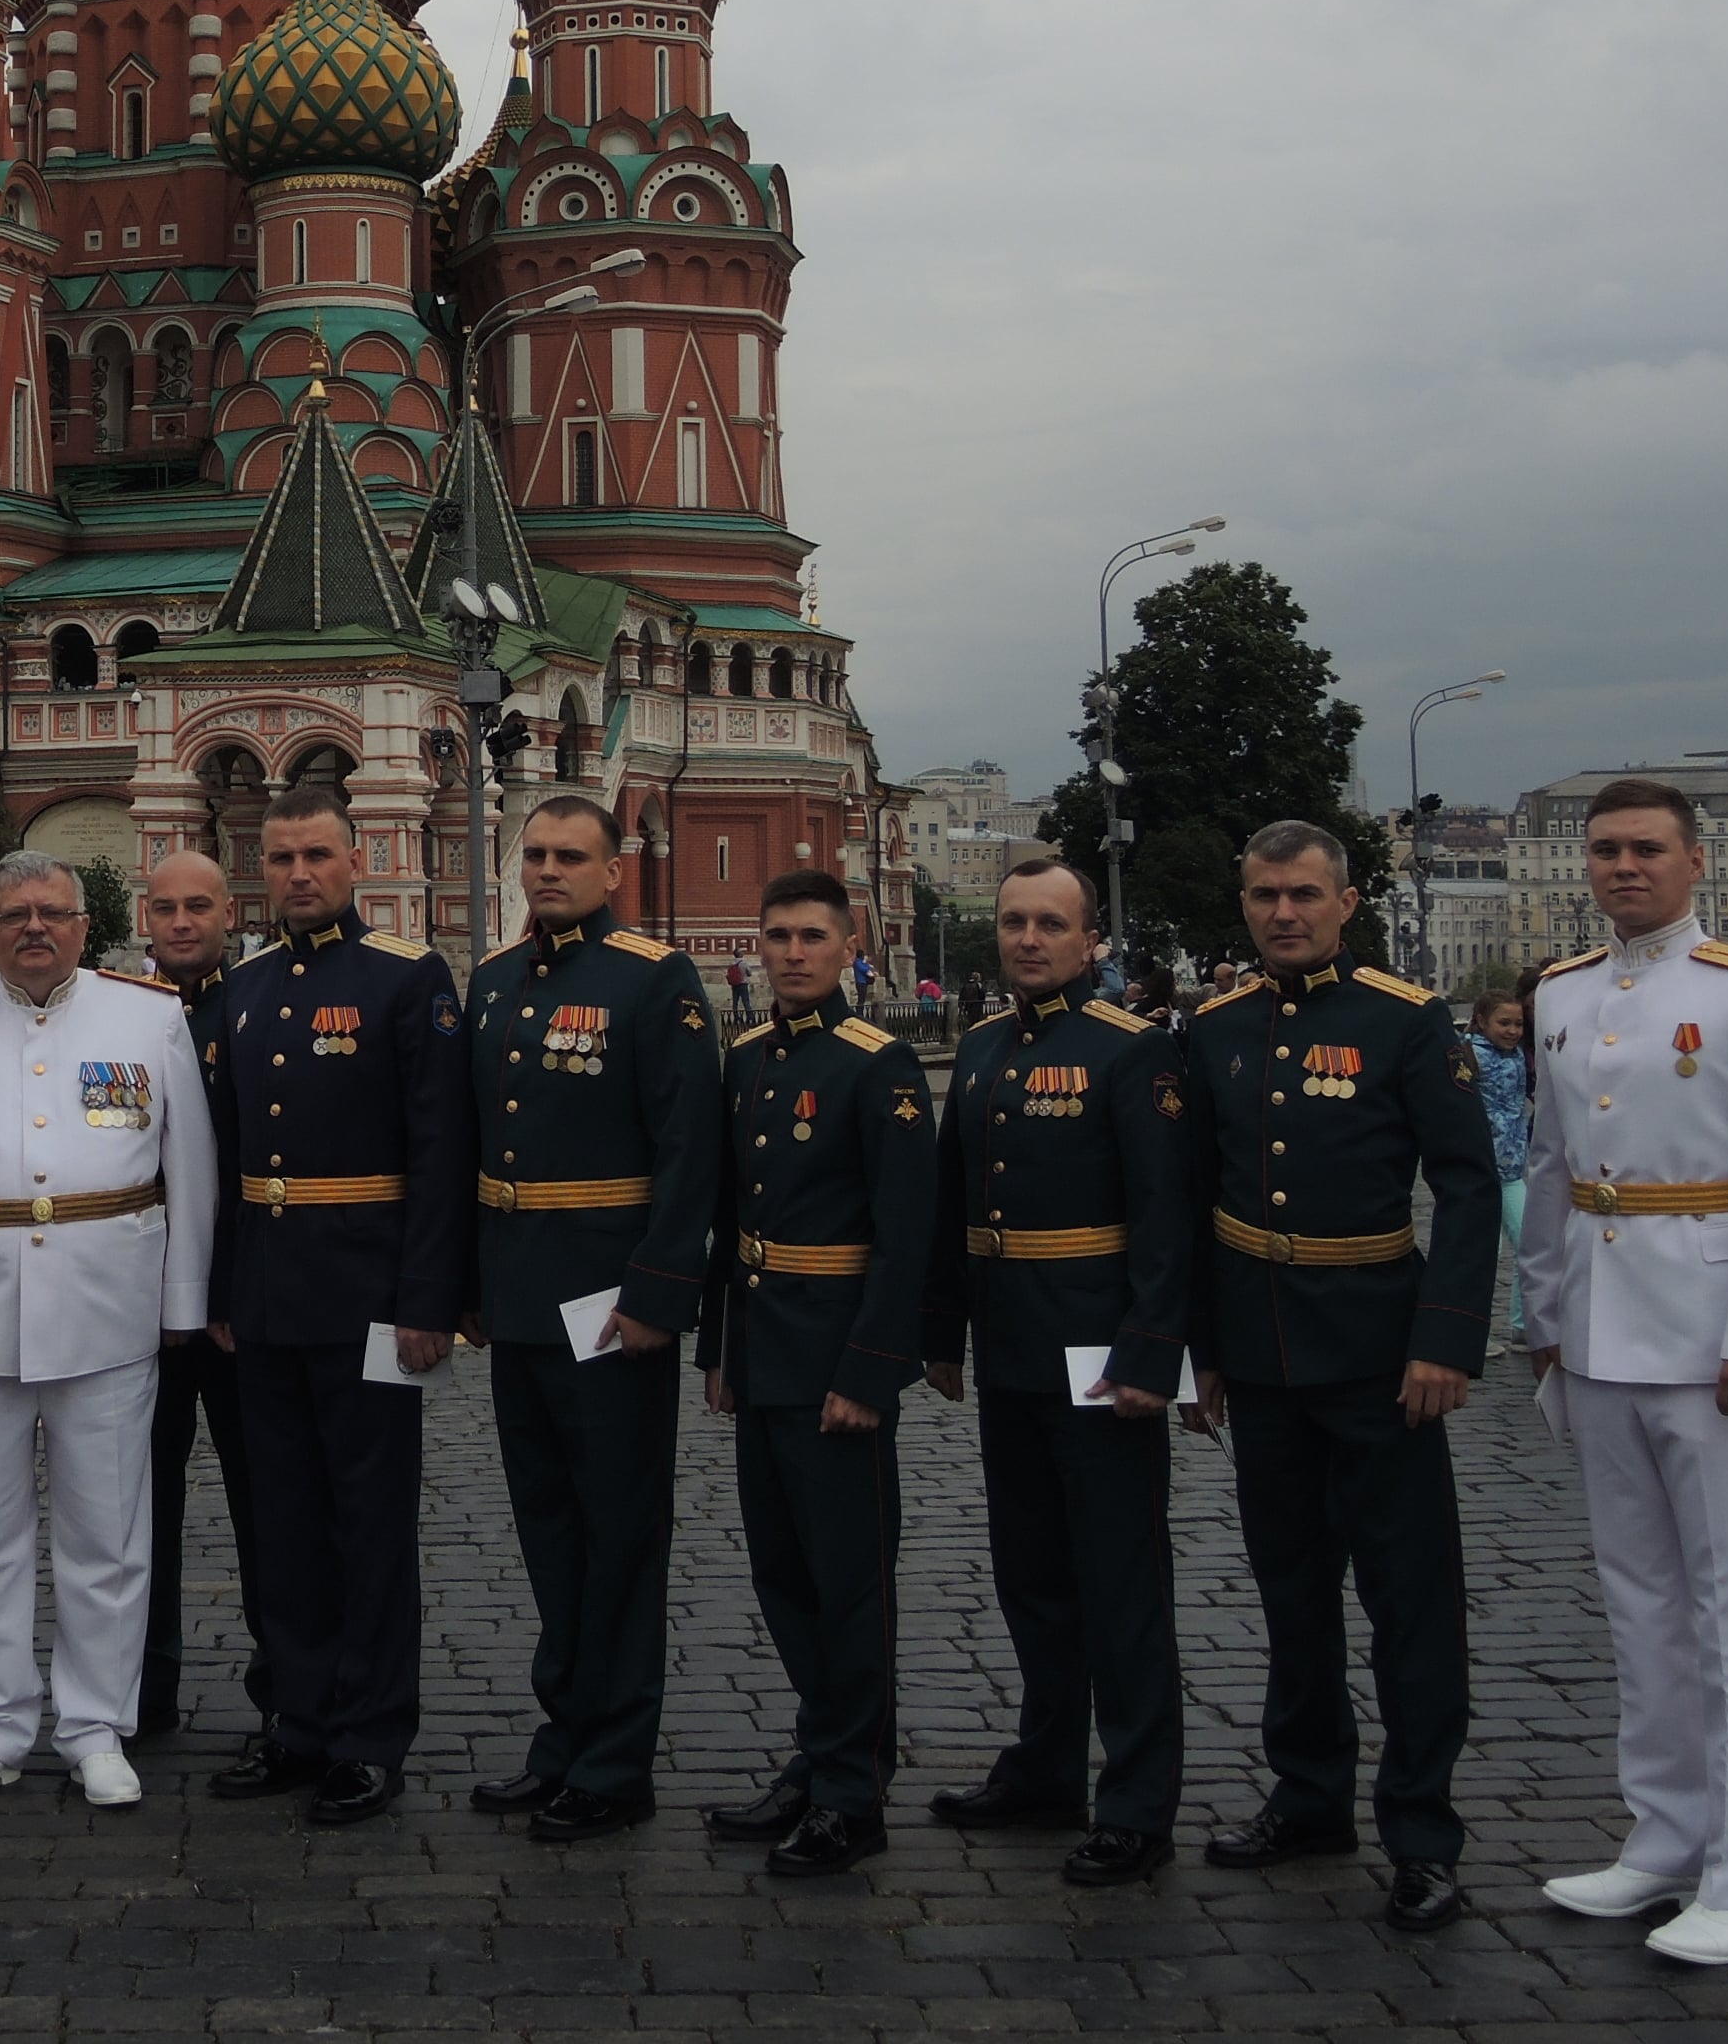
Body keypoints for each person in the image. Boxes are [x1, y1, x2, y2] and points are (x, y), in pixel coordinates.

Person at [1522, 778, 1728, 1969]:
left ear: (1694, 862)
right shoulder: (1561, 992)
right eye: (1604, 851)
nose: (1622, 868)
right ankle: (1664, 1836)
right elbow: (1553, 1167)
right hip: (1602, 1332)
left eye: (1646, 849)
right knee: (1642, 1604)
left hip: (1718, 1339)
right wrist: (1544, 1317)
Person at [1180, 826, 1499, 1936]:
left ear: (1345, 901)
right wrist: (1200, 1351)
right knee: (1291, 1593)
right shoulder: (1211, 1030)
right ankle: (1309, 1796)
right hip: (1261, 1355)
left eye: (1304, 894)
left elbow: (1466, 1186)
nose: (1282, 914)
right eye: (1264, 894)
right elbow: (1191, 1200)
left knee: (1410, 1603)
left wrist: (1447, 1336)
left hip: (1379, 1355)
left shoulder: (1405, 1022)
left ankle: (1420, 1832)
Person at [0, 851, 215, 1811]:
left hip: (110, 1305)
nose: (34, 928)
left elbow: (191, 1167)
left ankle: (98, 1724)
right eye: (14, 913)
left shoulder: (148, 1017)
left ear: (82, 923)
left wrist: (184, 1298)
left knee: (109, 1534)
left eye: (53, 912)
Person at [201, 784, 474, 1831]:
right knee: (283, 1524)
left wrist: (427, 1301)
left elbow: (440, 1154)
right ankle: (297, 1722)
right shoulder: (246, 986)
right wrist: (225, 1288)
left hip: (369, 1298)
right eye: (278, 859)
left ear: (355, 862)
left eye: (316, 854)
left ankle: (368, 1735)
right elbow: (227, 1158)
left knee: (368, 1524)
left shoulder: (408, 982)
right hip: (266, 1299)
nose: (298, 874)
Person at [918, 858, 1192, 1886]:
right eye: (1012, 923)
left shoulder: (1131, 1053)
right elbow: (956, 1200)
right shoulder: (985, 1047)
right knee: (1031, 1574)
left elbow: (1164, 1219)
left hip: (1100, 1351)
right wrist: (942, 1333)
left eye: (1049, 924)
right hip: (1012, 1346)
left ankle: (1135, 1798)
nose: (1027, 940)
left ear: (1090, 943)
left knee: (1120, 1583)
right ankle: (1042, 1768)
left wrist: (1153, 1352)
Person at [456, 792, 720, 1844]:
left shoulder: (654, 983)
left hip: (609, 1305)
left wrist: (659, 1293)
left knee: (618, 1536)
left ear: (614, 872)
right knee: (550, 1532)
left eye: (572, 857)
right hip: (520, 1298)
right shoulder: (494, 983)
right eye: (538, 855)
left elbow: (689, 1149)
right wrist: (469, 1287)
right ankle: (562, 1738)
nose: (549, 871)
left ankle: (616, 1762)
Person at [694, 869, 933, 1880]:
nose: (791, 953)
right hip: (762, 1353)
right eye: (777, 935)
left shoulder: (880, 1068)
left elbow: (906, 1235)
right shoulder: (745, 1059)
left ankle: (852, 1790)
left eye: (810, 937)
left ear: (849, 948)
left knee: (847, 1580)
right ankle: (819, 1749)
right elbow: (729, 1221)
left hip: (836, 1356)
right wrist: (719, 1351)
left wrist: (869, 1372)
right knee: (783, 1574)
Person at [131, 846, 265, 1747]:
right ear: (146, 918)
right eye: (165, 908)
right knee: (134, 1510)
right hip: (134, 1309)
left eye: (199, 908)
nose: (182, 923)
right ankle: (141, 1694)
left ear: (228, 916)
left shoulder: (261, 1008)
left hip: (240, 1307)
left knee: (269, 1509)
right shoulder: (117, 1019)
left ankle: (283, 1692)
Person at [1473, 984, 1537, 1353]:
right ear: (1482, 1022)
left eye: (1518, 1024)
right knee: (1483, 1254)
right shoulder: (1470, 1056)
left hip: (1512, 1168)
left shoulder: (1518, 1056)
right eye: (1504, 1023)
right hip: (1479, 1169)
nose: (1512, 1031)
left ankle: (1522, 1324)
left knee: (1529, 1241)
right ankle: (1472, 1333)